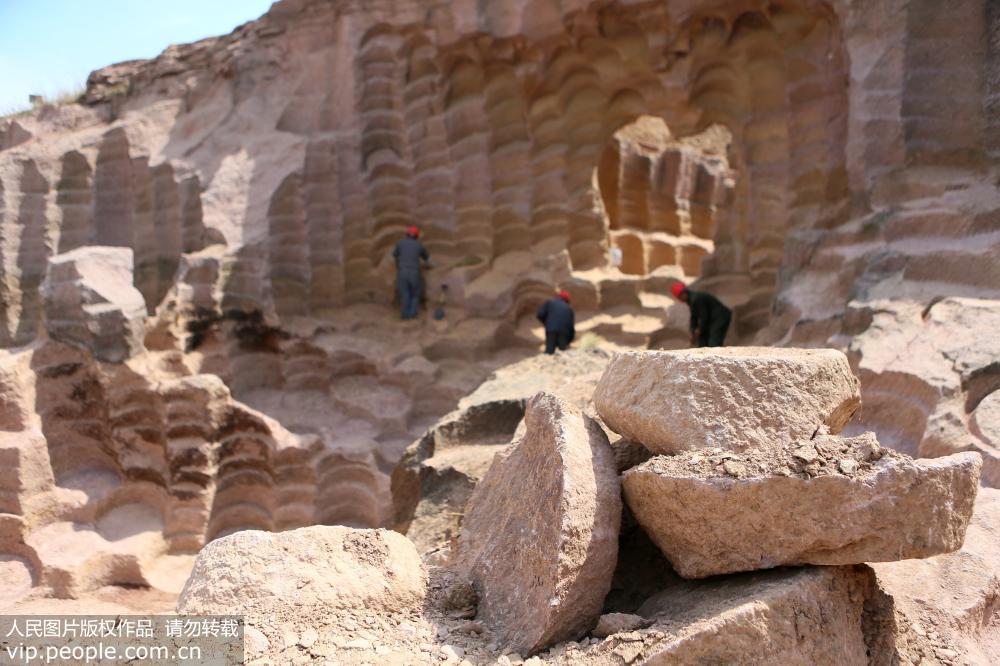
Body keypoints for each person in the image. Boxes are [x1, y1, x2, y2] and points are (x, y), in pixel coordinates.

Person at [671, 281, 731, 347]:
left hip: (720, 317)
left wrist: (699, 330)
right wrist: (692, 331)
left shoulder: (696, 299)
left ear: (683, 294)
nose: (680, 300)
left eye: (679, 297)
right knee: (702, 341)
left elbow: (704, 316)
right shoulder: (691, 300)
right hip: (712, 319)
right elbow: (694, 317)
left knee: (713, 343)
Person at [393, 226, 430, 319]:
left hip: (402, 272)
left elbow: (394, 255)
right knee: (415, 294)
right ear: (416, 236)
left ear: (407, 235)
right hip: (414, 272)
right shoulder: (419, 245)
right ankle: (412, 313)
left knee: (405, 293)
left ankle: (405, 314)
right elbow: (426, 258)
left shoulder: (400, 244)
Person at [537, 289, 575, 354]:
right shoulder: (569, 309)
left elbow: (540, 314)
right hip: (564, 331)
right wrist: (570, 339)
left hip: (551, 329)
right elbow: (571, 326)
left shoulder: (549, 303)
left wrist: (547, 323)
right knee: (563, 352)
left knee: (549, 351)